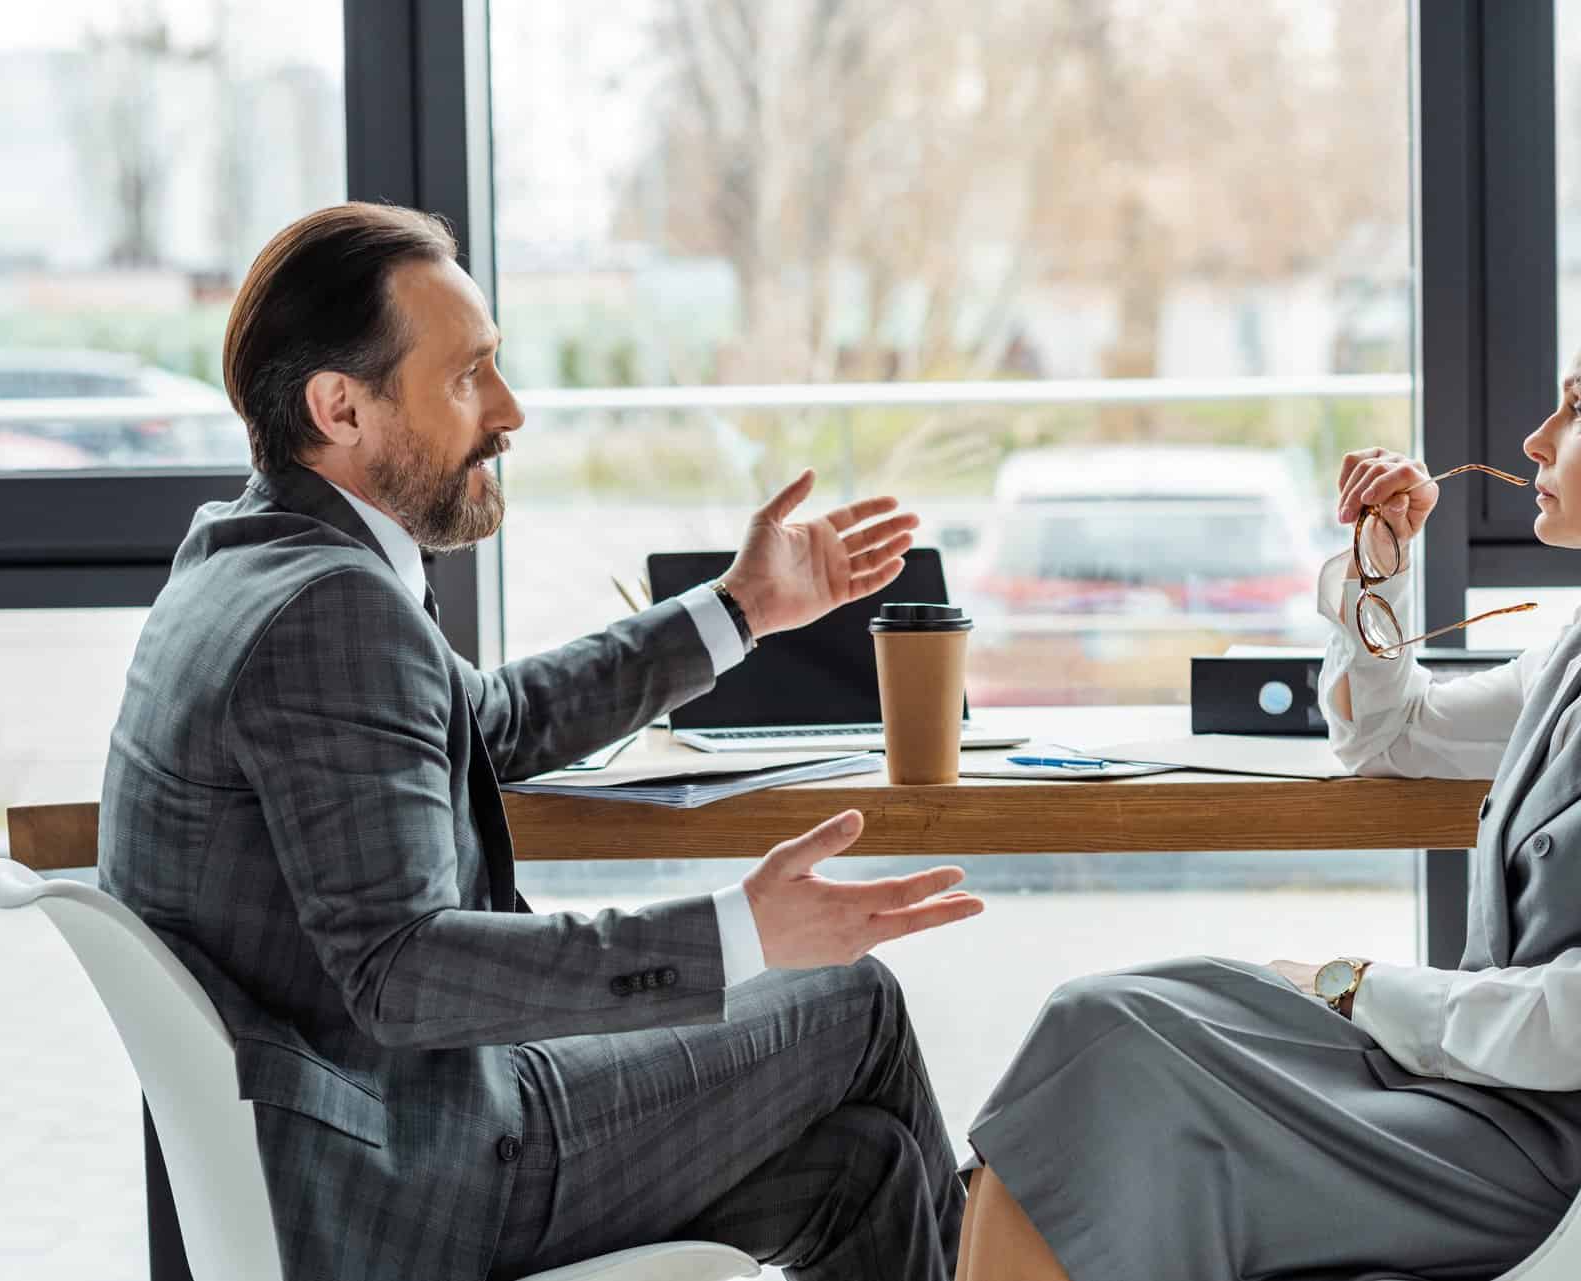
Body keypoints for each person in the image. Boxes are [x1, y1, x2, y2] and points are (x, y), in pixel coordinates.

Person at [97, 202, 982, 1281]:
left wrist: (741, 607)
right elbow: (404, 971)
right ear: (341, 406)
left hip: (340, 1152)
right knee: (856, 1004)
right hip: (414, 1183)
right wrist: (738, 931)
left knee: (868, 1166)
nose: (509, 412)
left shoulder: (241, 558)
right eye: (469, 376)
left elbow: (490, 723)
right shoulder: (329, 611)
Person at [954, 282, 1581, 1281]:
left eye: (1579, 411)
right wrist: (1381, 566)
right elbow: (1389, 735)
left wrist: (1351, 986)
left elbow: (1576, 1032)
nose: (1537, 442)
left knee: (1116, 1063)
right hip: (1467, 1079)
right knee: (1094, 1024)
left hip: (1533, 1153)